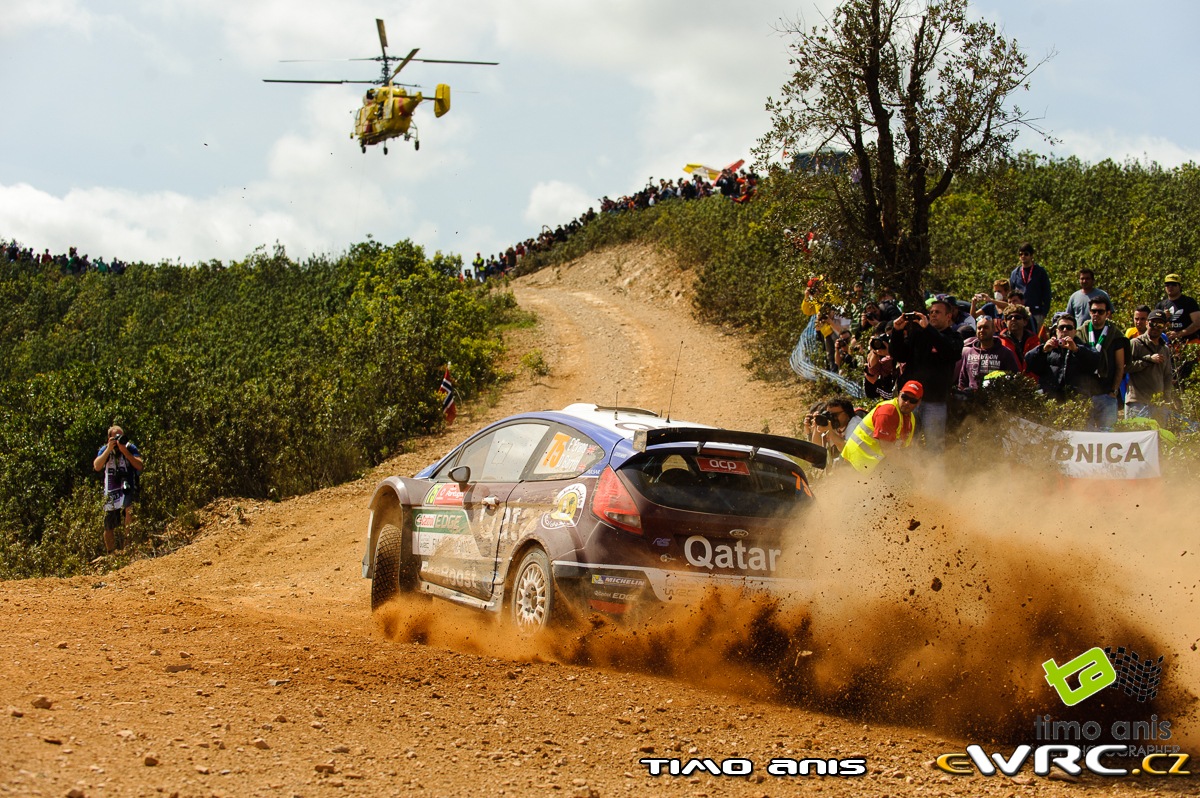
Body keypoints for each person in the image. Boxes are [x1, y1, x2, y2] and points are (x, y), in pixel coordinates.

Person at [888, 299, 964, 452]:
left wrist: (929, 329)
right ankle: (911, 475)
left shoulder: (954, 337)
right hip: (910, 399)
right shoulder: (918, 335)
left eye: (937, 312)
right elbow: (899, 355)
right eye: (931, 312)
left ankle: (934, 476)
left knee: (934, 447)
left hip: (935, 402)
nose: (933, 315)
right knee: (907, 444)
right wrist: (896, 331)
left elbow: (950, 351)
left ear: (948, 316)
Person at [841, 381, 922, 473]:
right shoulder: (887, 412)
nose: (907, 402)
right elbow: (888, 449)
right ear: (899, 395)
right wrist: (912, 468)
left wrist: (916, 466)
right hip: (855, 462)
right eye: (904, 397)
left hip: (873, 463)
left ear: (919, 402)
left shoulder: (911, 419)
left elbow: (904, 448)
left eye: (913, 400)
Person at [1025, 313, 1101, 401]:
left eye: (1069, 328)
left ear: (1075, 331)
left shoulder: (1083, 348)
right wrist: (1042, 350)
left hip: (1076, 402)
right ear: (1056, 331)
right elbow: (1029, 362)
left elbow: (1096, 361)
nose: (1065, 330)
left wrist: (1076, 350)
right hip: (1051, 401)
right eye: (1061, 327)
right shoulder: (1048, 348)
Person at [1077, 297, 1127, 430]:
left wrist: (1114, 391)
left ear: (1108, 313)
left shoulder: (1115, 334)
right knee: (1085, 434)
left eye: (1100, 311)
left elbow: (1119, 365)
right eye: (1093, 311)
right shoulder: (1080, 333)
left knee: (1107, 434)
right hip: (1085, 394)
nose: (1096, 315)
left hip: (1106, 394)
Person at [93, 425, 144, 554]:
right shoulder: (105, 450)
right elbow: (97, 466)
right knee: (109, 524)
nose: (118, 440)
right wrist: (109, 449)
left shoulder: (130, 448)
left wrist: (125, 451)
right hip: (111, 491)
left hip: (128, 486)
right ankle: (111, 552)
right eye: (115, 437)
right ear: (109, 438)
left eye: (121, 436)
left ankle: (128, 546)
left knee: (129, 510)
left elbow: (139, 465)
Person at [1126, 309, 1175, 425]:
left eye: (1160, 324)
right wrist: (1148, 360)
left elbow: (1167, 375)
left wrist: (1167, 398)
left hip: (1158, 404)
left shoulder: (1165, 348)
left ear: (1164, 327)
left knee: (1159, 439)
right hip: (1137, 402)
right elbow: (1124, 368)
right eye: (1152, 323)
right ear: (1147, 323)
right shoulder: (1135, 343)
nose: (1155, 327)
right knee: (1136, 438)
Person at [956, 315, 1020, 392]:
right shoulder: (968, 352)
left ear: (993, 330)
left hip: (995, 400)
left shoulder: (1005, 353)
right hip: (973, 400)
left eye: (986, 327)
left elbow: (1015, 379)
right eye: (979, 328)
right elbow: (963, 380)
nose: (982, 330)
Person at [1009, 243, 1052, 330]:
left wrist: (1044, 313)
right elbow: (1011, 293)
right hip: (1019, 313)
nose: (1023, 256)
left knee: (1034, 337)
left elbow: (1047, 293)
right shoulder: (1015, 273)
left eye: (1026, 254)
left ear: (1031, 255)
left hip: (1036, 312)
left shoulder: (1040, 272)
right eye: (1020, 254)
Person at [1156, 273, 1200, 343]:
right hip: (1168, 345)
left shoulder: (1189, 302)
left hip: (1189, 343)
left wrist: (1178, 334)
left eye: (1174, 284)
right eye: (1167, 285)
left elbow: (1197, 324)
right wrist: (1163, 318)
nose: (1170, 287)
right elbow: (1154, 326)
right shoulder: (1161, 305)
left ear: (1179, 286)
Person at [998, 304, 1040, 373]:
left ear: (1025, 322)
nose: (1013, 319)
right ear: (1005, 322)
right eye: (1009, 317)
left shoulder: (1035, 342)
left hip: (1031, 381)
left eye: (1017, 317)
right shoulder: (999, 343)